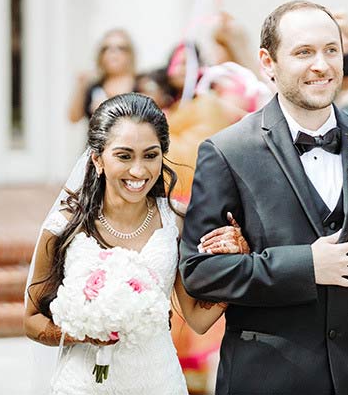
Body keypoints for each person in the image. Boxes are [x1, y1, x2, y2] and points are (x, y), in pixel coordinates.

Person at [179, 0, 348, 395]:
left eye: (331, 50)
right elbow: (200, 273)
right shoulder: (227, 152)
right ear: (268, 62)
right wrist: (306, 265)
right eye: (304, 52)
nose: (321, 64)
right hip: (267, 381)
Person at [25, 93, 248, 394]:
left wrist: (240, 264)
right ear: (97, 158)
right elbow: (32, 322)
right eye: (124, 156)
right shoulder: (64, 226)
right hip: (82, 386)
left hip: (157, 383)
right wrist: (82, 332)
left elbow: (197, 318)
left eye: (150, 155)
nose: (139, 171)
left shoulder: (177, 221)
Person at [68, 29, 139, 123]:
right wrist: (81, 86)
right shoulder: (94, 86)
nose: (113, 53)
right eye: (106, 48)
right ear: (100, 55)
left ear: (130, 54)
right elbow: (73, 118)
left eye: (120, 48)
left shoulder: (141, 85)